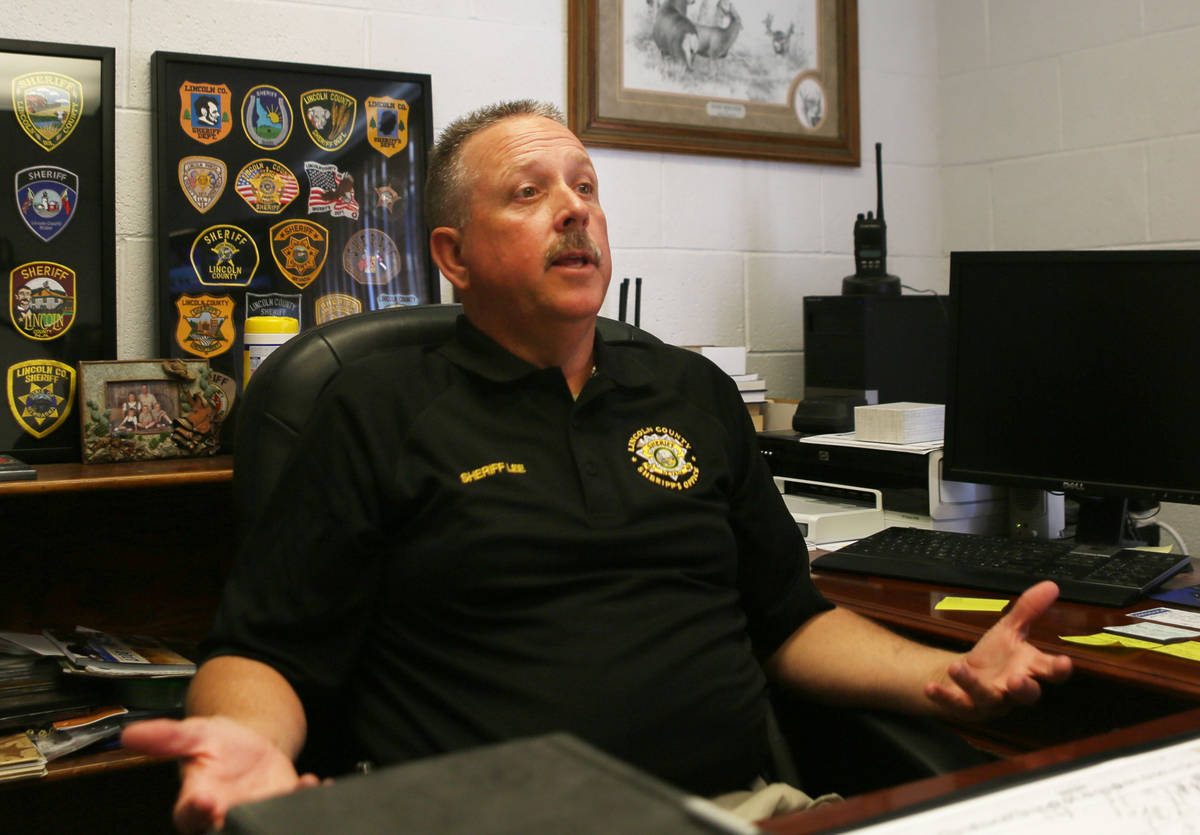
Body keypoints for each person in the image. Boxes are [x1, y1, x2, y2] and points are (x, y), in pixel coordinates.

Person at [121, 100, 1072, 833]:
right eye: (530, 193)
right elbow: (265, 649)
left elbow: (788, 621)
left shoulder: (694, 394)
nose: (574, 209)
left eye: (585, 185)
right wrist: (245, 746)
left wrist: (942, 676)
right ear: (453, 254)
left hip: (737, 810)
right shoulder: (375, 409)